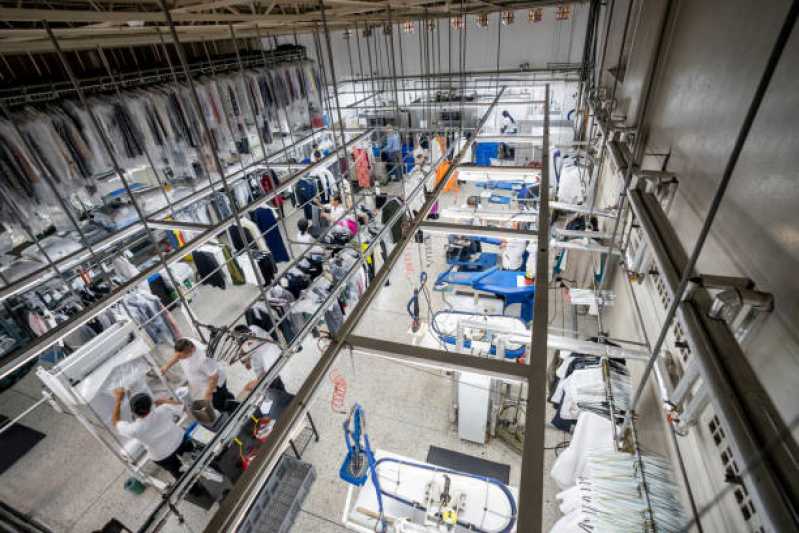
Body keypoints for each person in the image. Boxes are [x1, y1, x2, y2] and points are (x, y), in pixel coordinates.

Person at [111, 388, 192, 481]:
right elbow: (182, 407)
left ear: (133, 412)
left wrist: (118, 400)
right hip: (180, 441)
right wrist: (163, 401)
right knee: (194, 456)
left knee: (178, 473)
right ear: (151, 404)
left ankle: (193, 489)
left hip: (162, 455)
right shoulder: (164, 409)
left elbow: (115, 421)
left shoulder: (134, 429)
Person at [161, 338, 236, 413]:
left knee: (220, 403)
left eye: (182, 356)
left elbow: (214, 377)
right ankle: (232, 403)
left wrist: (208, 394)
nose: (180, 358)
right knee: (225, 397)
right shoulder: (185, 341)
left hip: (216, 385)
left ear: (190, 351)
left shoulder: (203, 358)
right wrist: (166, 366)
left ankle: (235, 412)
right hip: (206, 382)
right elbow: (177, 355)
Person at [233, 324, 287, 393]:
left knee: (276, 389)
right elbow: (244, 347)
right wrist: (246, 360)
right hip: (263, 364)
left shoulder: (264, 352)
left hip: (271, 374)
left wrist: (250, 385)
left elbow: (267, 376)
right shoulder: (252, 328)